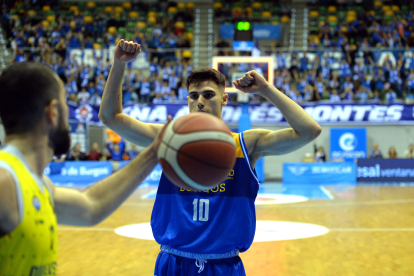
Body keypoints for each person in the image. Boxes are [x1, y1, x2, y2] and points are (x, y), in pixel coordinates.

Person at [99, 40, 321, 276]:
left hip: (224, 265)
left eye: (208, 95)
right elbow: (110, 117)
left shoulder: (245, 144)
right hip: (173, 263)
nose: (200, 101)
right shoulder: (167, 139)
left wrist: (266, 90)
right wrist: (119, 65)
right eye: (193, 96)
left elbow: (309, 131)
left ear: (225, 99)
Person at [0, 62, 170, 275]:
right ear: (53, 112)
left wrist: (154, 152)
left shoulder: (37, 184)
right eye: (64, 101)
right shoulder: (5, 180)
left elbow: (91, 205)